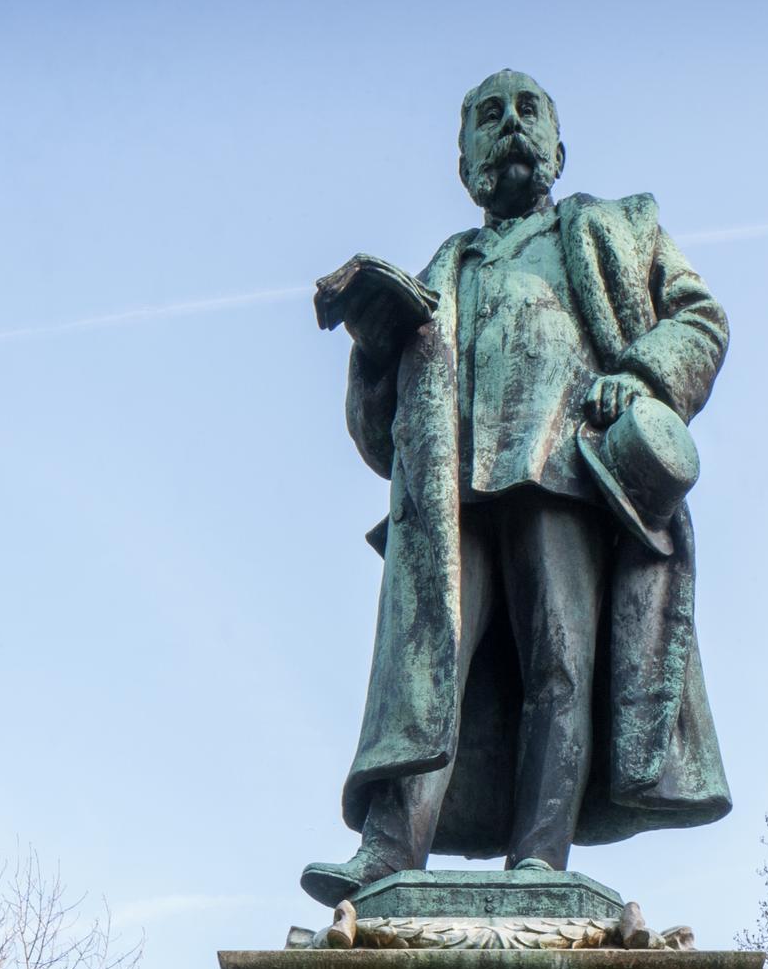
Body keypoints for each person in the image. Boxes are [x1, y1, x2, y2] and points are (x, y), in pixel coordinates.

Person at [303, 70, 730, 909]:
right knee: (429, 670)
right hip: (453, 489)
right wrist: (375, 344)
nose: (509, 125)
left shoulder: (620, 228)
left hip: (567, 468)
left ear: (560, 150)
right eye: (487, 116)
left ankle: (540, 858)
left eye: (527, 110)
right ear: (464, 165)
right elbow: (378, 436)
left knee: (559, 664)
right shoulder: (444, 269)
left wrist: (641, 377)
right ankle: (388, 853)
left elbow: (701, 319)